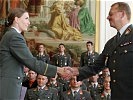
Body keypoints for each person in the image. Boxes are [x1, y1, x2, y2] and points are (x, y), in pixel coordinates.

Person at [0, 8, 72, 99]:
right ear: (16, 19)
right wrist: (58, 70)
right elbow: (32, 62)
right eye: (26, 18)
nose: (29, 22)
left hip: (8, 83)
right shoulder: (14, 36)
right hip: (9, 85)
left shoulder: (10, 34)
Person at [69, 2, 133, 100]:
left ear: (122, 14)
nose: (108, 17)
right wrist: (74, 71)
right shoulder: (111, 43)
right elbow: (96, 67)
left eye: (111, 14)